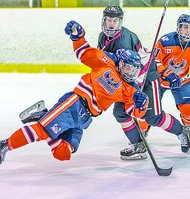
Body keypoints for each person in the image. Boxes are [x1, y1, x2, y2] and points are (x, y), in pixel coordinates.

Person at [0, 20, 149, 164]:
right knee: (41, 131)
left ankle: (44, 116)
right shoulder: (107, 61)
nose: (131, 73)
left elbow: (133, 111)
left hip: (85, 118)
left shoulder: (130, 88)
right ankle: (5, 145)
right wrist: (78, 36)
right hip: (74, 104)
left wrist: (142, 104)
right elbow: (83, 52)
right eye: (128, 68)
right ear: (121, 62)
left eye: (134, 70)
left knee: (63, 153)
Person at [97, 5, 190, 160]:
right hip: (128, 79)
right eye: (108, 19)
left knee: (152, 117)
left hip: (147, 77)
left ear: (120, 21)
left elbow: (130, 70)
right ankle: (138, 145)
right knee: (121, 112)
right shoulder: (103, 36)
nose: (111, 24)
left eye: (115, 20)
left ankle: (182, 131)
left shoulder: (124, 40)